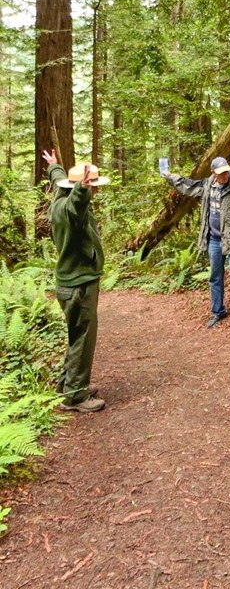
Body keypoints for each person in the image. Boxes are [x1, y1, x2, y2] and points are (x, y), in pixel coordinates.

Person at [44, 149, 109, 412]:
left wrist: (54, 166)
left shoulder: (58, 199)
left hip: (70, 284)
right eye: (92, 187)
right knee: (84, 338)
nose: (95, 191)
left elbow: (59, 181)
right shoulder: (71, 211)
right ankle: (76, 397)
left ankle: (68, 384)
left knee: (75, 336)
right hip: (79, 285)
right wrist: (82, 191)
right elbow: (77, 204)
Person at [162, 156, 230, 328]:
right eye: (221, 173)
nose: (225, 176)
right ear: (213, 173)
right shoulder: (207, 186)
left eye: (226, 172)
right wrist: (169, 175)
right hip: (214, 240)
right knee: (215, 277)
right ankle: (217, 311)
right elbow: (187, 186)